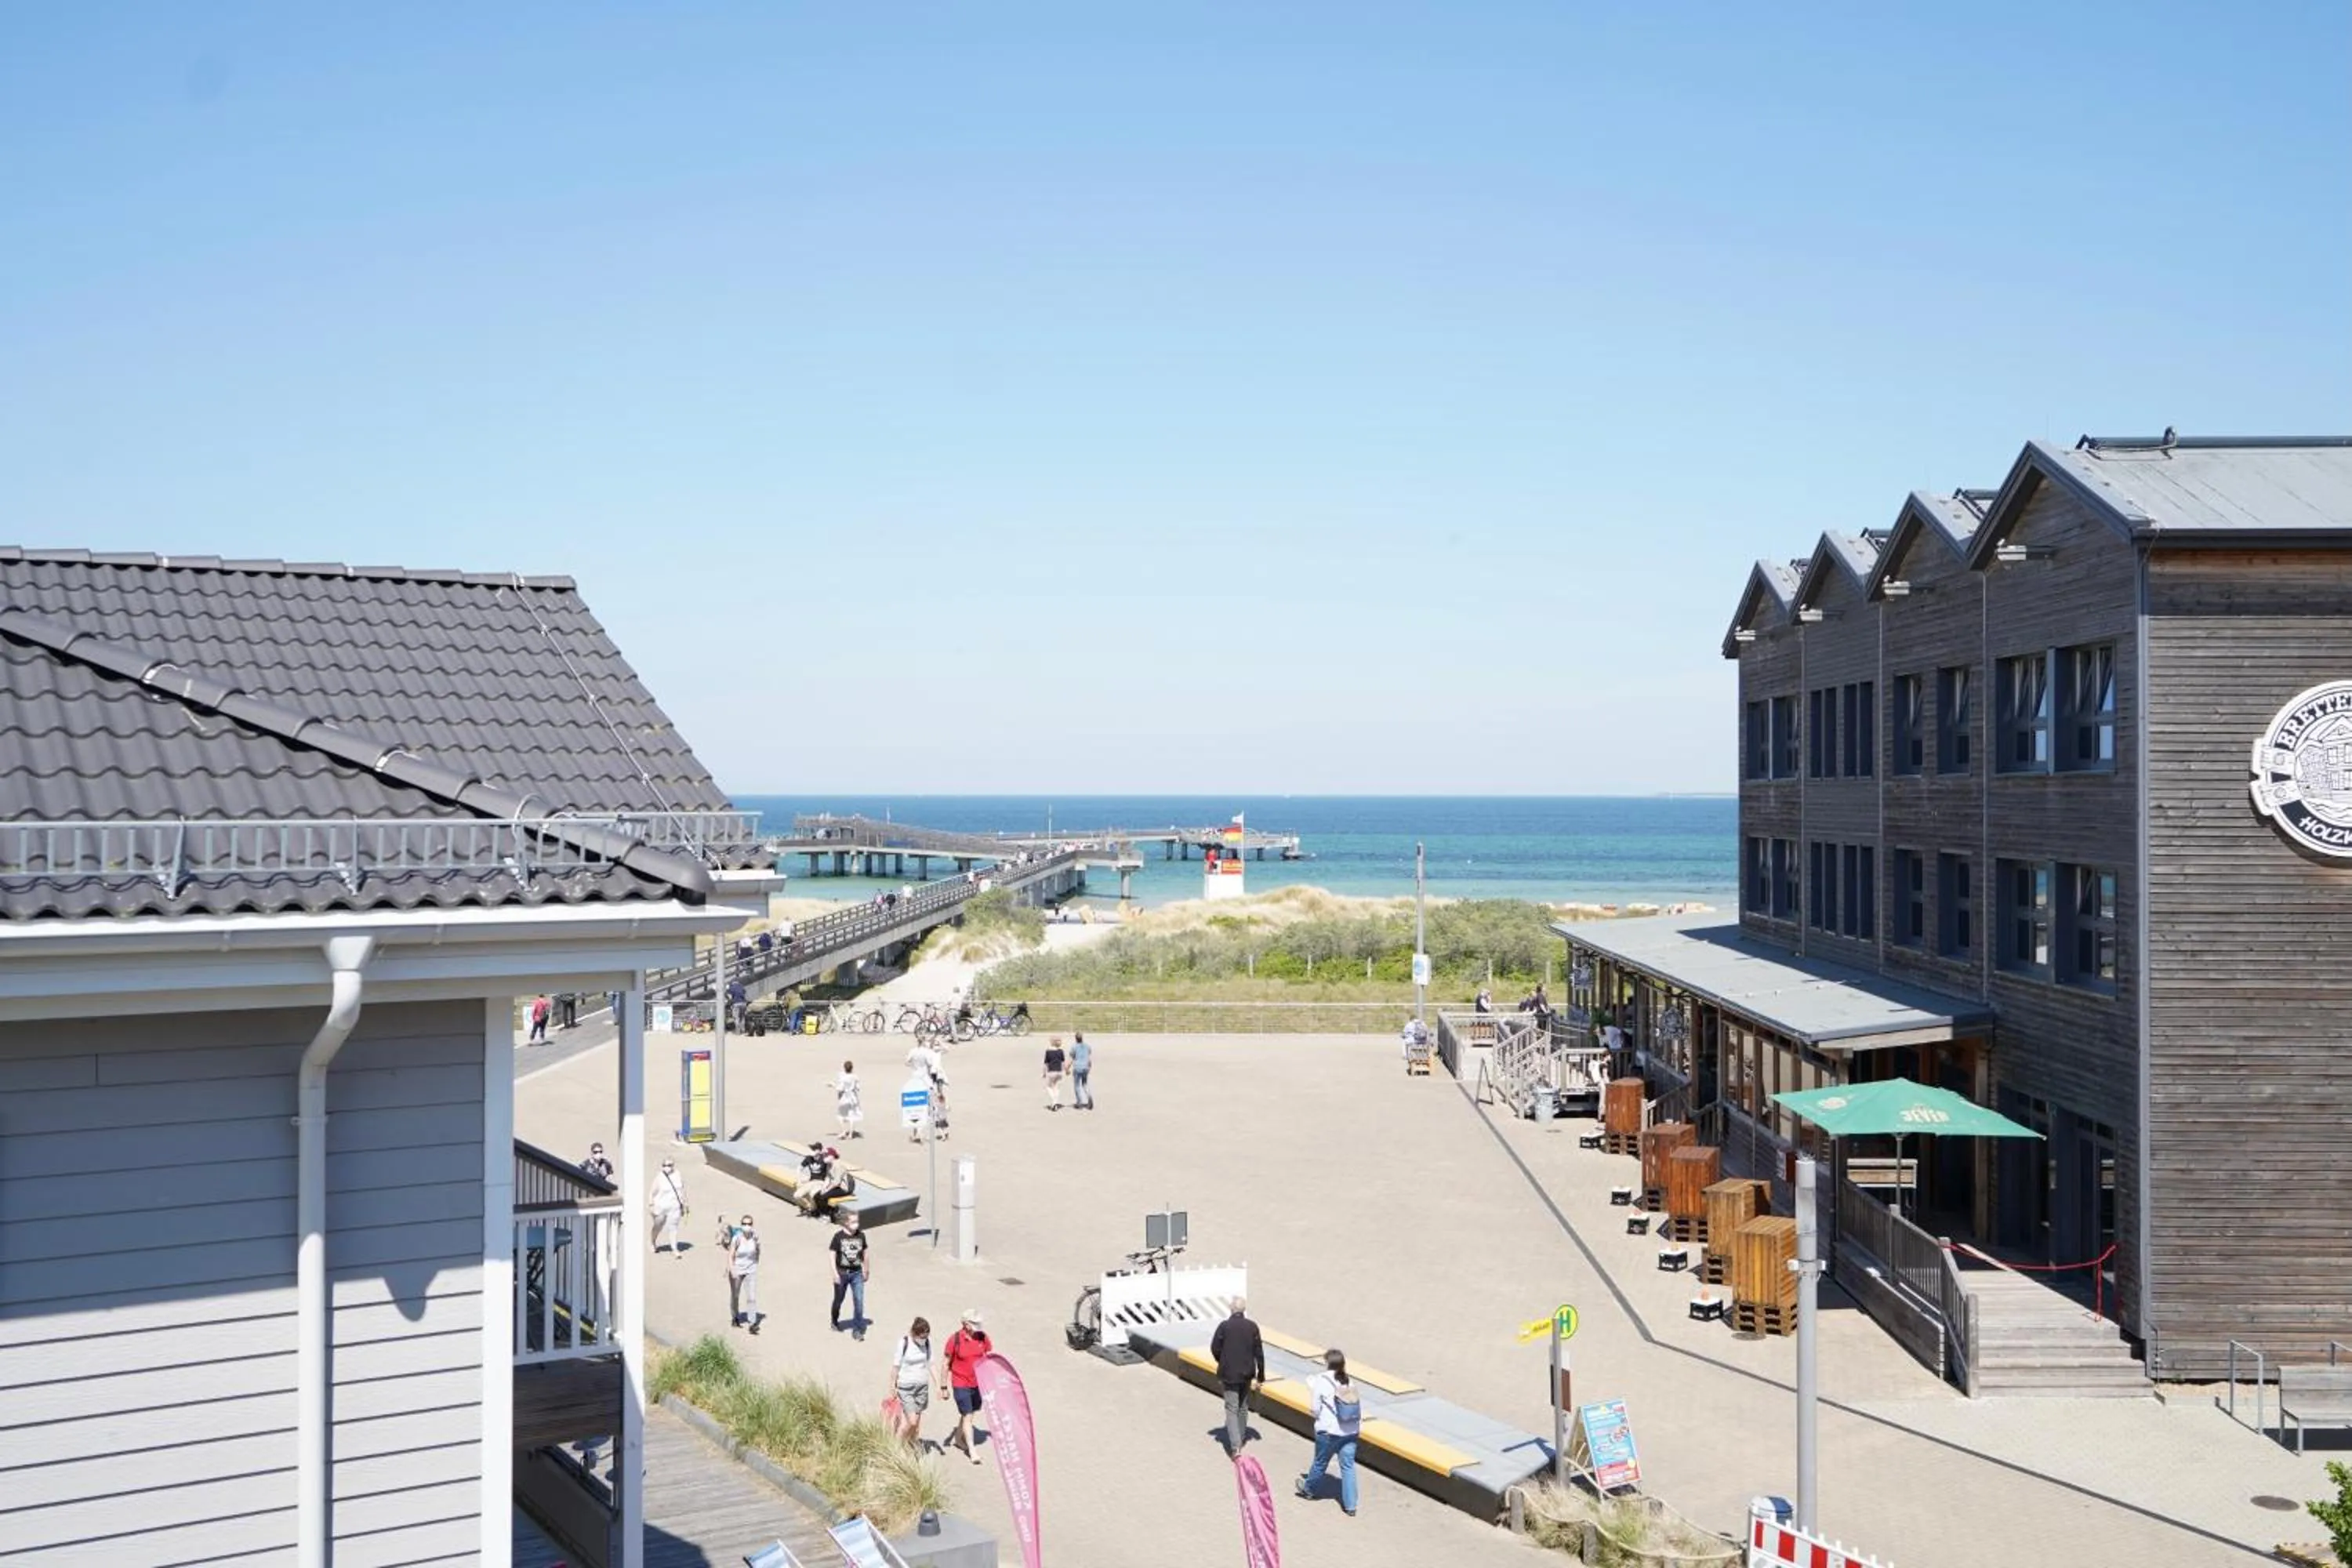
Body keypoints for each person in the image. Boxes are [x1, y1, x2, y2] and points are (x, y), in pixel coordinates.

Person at [1295, 1348, 1363, 1516]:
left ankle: (1309, 1489)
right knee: (1348, 1467)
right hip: (1351, 1431)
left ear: (1327, 1363)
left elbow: (1315, 1408)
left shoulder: (1322, 1380)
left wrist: (1318, 1418)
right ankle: (1351, 1506)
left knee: (1320, 1462)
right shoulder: (1349, 1381)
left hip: (1329, 1431)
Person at [1210, 1298, 1265, 1457]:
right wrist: (1261, 1375)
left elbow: (1215, 1348)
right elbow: (1259, 1353)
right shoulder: (1252, 1327)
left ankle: (1235, 1446)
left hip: (1229, 1374)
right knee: (1243, 1407)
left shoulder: (1224, 1327)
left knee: (1231, 1408)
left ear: (1231, 1309)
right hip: (1247, 1373)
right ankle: (1240, 1437)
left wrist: (1222, 1361)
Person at [941, 1309, 992, 1465]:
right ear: (965, 1324)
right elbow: (945, 1364)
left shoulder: (983, 1337)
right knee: (968, 1415)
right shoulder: (955, 1339)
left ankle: (958, 1437)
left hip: (977, 1383)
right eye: (974, 1324)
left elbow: (988, 1358)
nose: (977, 1327)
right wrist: (943, 1387)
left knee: (969, 1413)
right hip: (960, 1382)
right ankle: (972, 1451)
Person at [888, 1317, 935, 1448]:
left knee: (915, 1425)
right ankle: (895, 1447)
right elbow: (896, 1366)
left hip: (922, 1387)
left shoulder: (927, 1343)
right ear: (914, 1333)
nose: (924, 1339)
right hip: (906, 1387)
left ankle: (908, 1447)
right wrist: (892, 1386)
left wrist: (939, 1386)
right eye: (921, 1337)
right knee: (912, 1422)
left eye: (926, 1336)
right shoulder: (904, 1343)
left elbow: (931, 1364)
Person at [829, 1210, 872, 1340]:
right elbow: (832, 1254)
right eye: (853, 1222)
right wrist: (835, 1273)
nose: (856, 1224)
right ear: (846, 1223)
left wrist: (866, 1270)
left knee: (859, 1301)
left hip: (857, 1273)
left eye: (857, 1221)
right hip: (842, 1274)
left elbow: (865, 1253)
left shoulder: (861, 1236)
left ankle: (857, 1329)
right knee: (838, 1300)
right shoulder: (838, 1237)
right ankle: (834, 1320)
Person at [727, 1214, 763, 1334]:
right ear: (741, 1225)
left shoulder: (755, 1237)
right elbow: (731, 1255)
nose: (747, 1226)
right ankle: (735, 1316)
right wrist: (732, 1269)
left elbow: (758, 1250)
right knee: (735, 1295)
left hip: (750, 1270)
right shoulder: (737, 1238)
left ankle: (752, 1323)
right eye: (744, 1224)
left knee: (751, 1298)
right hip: (737, 1270)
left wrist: (755, 1263)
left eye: (749, 1224)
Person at [649, 1157, 688, 1257]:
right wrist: (651, 1204)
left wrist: (684, 1204)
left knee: (673, 1227)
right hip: (661, 1207)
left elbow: (681, 1190)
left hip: (675, 1206)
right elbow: (652, 1192)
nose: (667, 1167)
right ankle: (653, 1241)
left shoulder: (678, 1175)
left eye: (670, 1165)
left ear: (673, 1166)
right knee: (658, 1226)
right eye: (665, 1165)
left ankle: (674, 1249)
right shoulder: (659, 1177)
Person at [836, 1060, 864, 1140]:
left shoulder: (843, 1078)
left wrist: (832, 1085)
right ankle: (851, 1134)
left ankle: (844, 1131)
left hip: (845, 1097)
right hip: (853, 1098)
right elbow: (858, 1088)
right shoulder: (855, 1077)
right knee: (852, 1116)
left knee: (841, 1115)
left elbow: (840, 1089)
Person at [1069, 1033, 1094, 1110]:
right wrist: (1089, 1066)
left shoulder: (1074, 1047)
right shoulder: (1087, 1046)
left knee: (1077, 1085)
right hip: (1085, 1067)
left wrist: (1067, 1068)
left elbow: (1072, 1058)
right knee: (1084, 1084)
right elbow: (1089, 1057)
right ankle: (1089, 1096)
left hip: (1078, 1067)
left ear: (1076, 1038)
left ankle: (1079, 1102)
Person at [1042, 1036, 1066, 1111]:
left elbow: (1046, 1063)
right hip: (1059, 1071)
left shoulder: (1048, 1052)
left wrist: (1044, 1073)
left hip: (1051, 1071)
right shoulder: (1061, 1051)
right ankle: (1055, 1103)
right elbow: (1063, 1063)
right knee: (1056, 1088)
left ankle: (1054, 1102)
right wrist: (1065, 1071)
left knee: (1049, 1087)